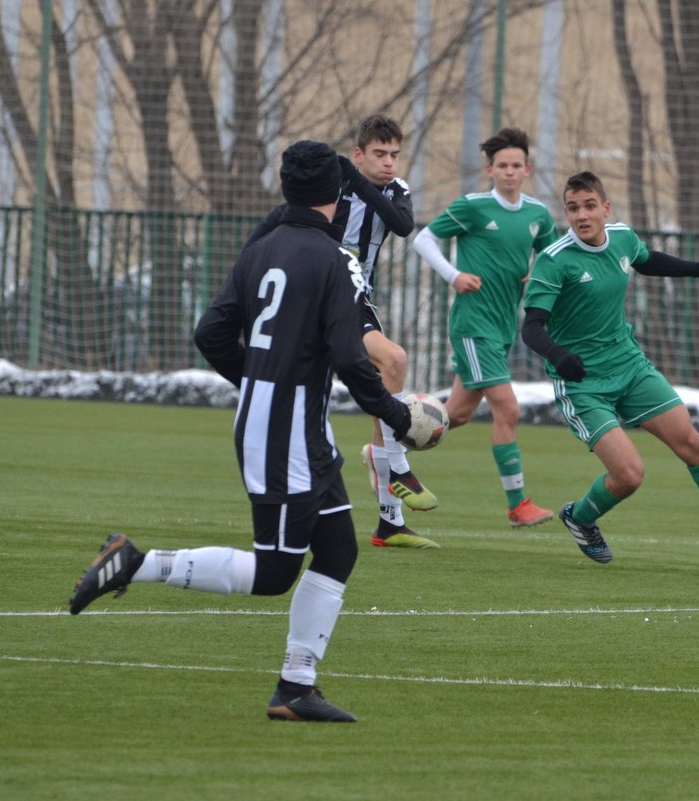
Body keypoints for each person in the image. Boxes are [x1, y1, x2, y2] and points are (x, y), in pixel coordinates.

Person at [67, 141, 413, 723]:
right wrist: (398, 416)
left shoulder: (260, 249)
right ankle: (136, 561)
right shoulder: (336, 258)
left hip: (290, 421)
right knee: (275, 572)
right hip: (286, 432)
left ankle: (296, 688)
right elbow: (353, 360)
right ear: (339, 195)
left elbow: (210, 333)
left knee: (338, 549)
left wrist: (258, 379)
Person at [520, 171, 699, 567]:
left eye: (590, 205)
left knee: (692, 445)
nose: (581, 215)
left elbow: (648, 261)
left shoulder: (623, 237)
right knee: (629, 476)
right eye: (573, 208)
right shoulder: (554, 259)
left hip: (629, 366)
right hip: (583, 383)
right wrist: (559, 356)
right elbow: (532, 327)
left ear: (605, 208)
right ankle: (580, 517)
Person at [245, 115, 437, 549]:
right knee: (316, 406)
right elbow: (283, 217)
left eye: (394, 155)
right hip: (313, 296)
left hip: (352, 296)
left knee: (393, 362)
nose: (389, 163)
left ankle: (391, 516)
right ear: (358, 154)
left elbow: (403, 225)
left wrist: (357, 178)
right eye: (378, 155)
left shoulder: (395, 190)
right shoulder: (330, 188)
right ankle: (387, 467)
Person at [412, 127, 558, 528]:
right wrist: (453, 275)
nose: (509, 172)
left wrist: (539, 274)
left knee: (455, 415)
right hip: (472, 325)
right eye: (502, 166)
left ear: (526, 169)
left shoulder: (537, 215)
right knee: (508, 409)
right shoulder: (473, 207)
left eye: (516, 165)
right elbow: (423, 239)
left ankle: (390, 453)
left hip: (501, 327)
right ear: (490, 169)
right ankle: (517, 506)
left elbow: (554, 258)